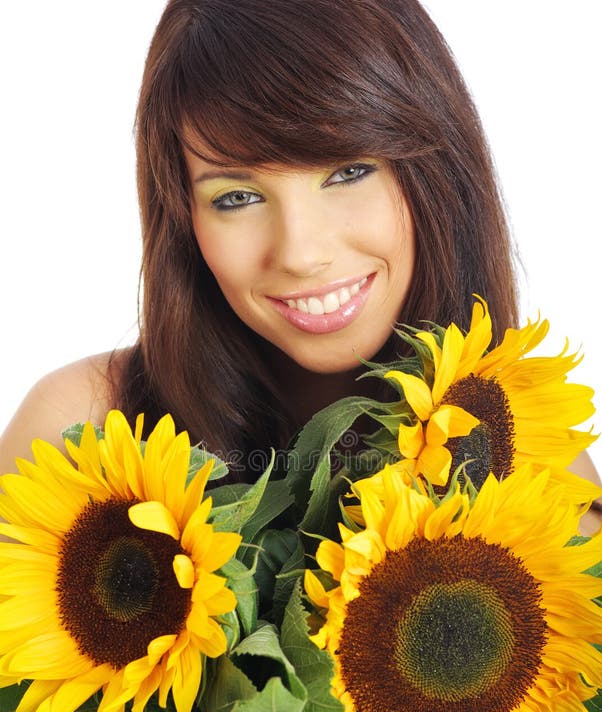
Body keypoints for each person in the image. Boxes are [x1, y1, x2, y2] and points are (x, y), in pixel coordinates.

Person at [0, 0, 600, 533]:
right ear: (184, 219)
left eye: (347, 172)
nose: (300, 253)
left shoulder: (538, 466)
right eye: (236, 197)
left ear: (435, 173)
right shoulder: (75, 435)